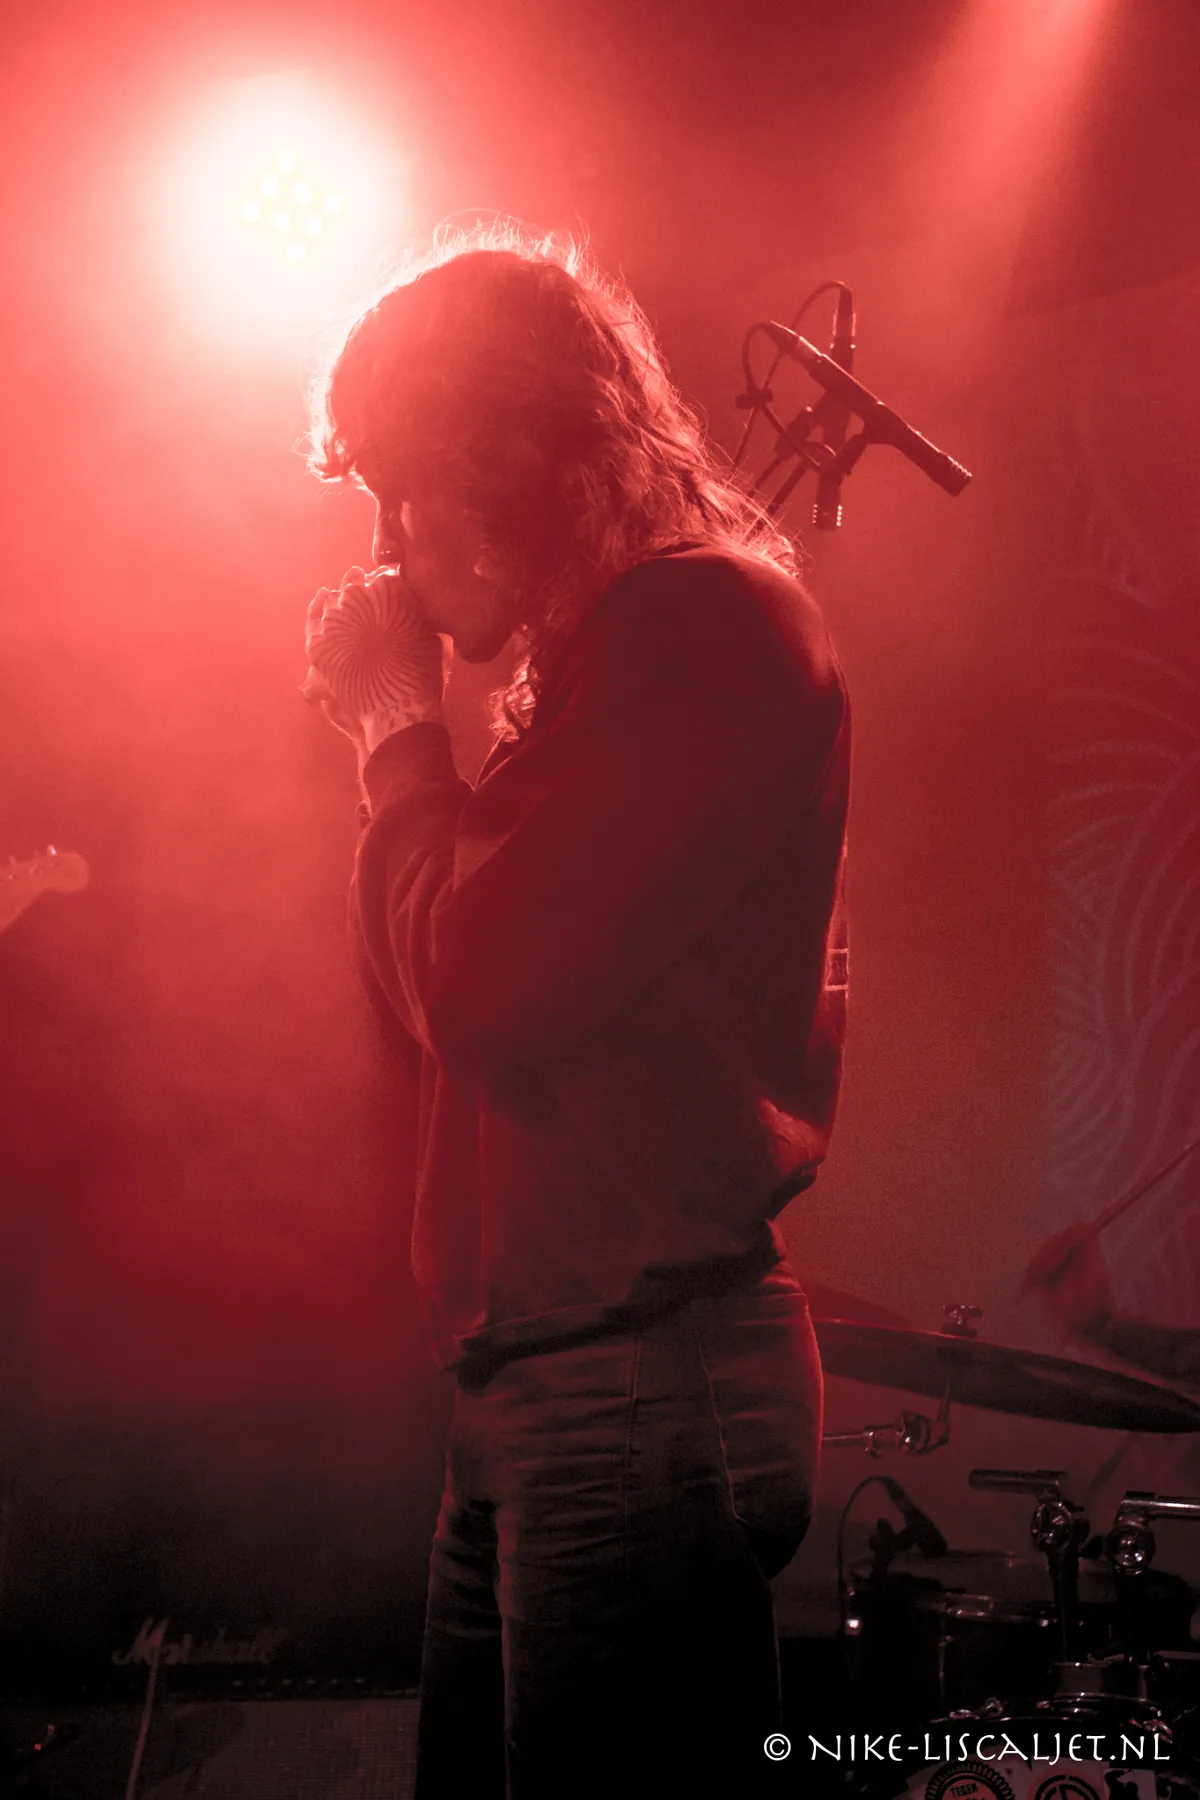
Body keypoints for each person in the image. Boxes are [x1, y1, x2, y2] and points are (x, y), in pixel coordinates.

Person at [303, 228, 850, 1799]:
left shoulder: (703, 625)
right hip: (555, 1380)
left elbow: (476, 991)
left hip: (635, 1384)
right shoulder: (621, 657)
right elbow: (443, 990)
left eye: (404, 490)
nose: (389, 546)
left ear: (511, 457)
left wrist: (397, 731)